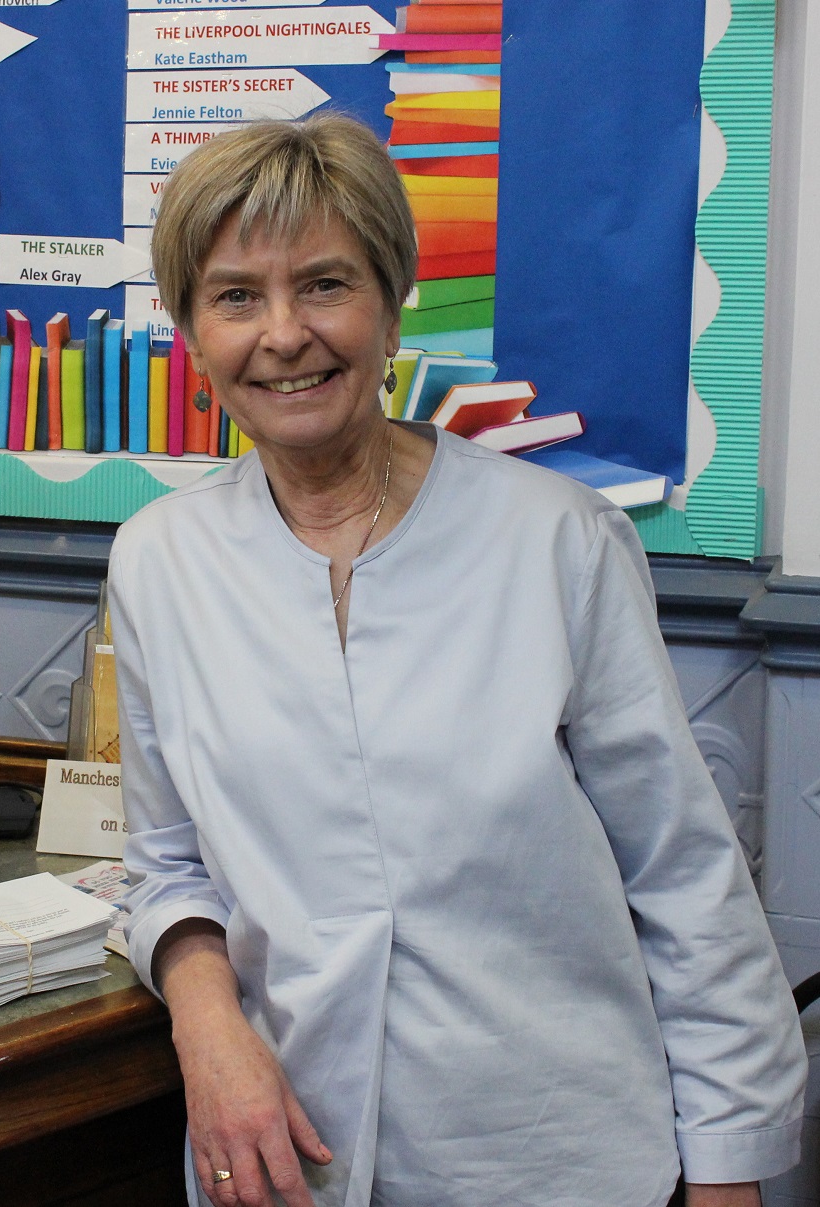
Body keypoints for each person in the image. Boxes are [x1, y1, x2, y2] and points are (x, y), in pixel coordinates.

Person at [108, 113, 806, 1207]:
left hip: (553, 1154)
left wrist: (726, 1170)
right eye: (235, 295)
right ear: (190, 332)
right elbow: (162, 863)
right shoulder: (159, 561)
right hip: (292, 1154)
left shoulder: (554, 539)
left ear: (392, 305)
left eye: (325, 285)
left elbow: (682, 874)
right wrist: (207, 1026)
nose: (283, 334)